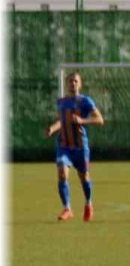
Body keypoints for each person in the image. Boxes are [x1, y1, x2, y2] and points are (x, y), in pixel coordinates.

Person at [45, 71, 104, 222]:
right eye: (70, 81)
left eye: (75, 81)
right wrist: (52, 128)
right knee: (62, 173)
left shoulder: (85, 101)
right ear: (66, 84)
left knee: (84, 177)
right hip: (64, 145)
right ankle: (67, 208)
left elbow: (99, 119)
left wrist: (82, 121)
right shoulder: (61, 102)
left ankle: (88, 203)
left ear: (80, 84)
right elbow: (62, 121)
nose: (73, 84)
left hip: (80, 147)